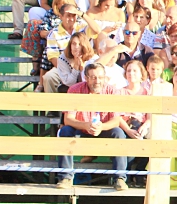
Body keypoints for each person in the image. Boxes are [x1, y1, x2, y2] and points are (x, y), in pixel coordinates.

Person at [55, 63, 129, 191]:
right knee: (65, 131)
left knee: (118, 133)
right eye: (93, 77)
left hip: (103, 129)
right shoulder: (75, 90)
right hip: (81, 128)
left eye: (100, 77)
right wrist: (85, 125)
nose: (97, 81)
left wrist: (102, 127)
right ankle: (65, 177)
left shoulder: (112, 91)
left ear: (105, 77)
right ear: (86, 77)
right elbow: (68, 119)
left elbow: (116, 120)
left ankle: (120, 178)